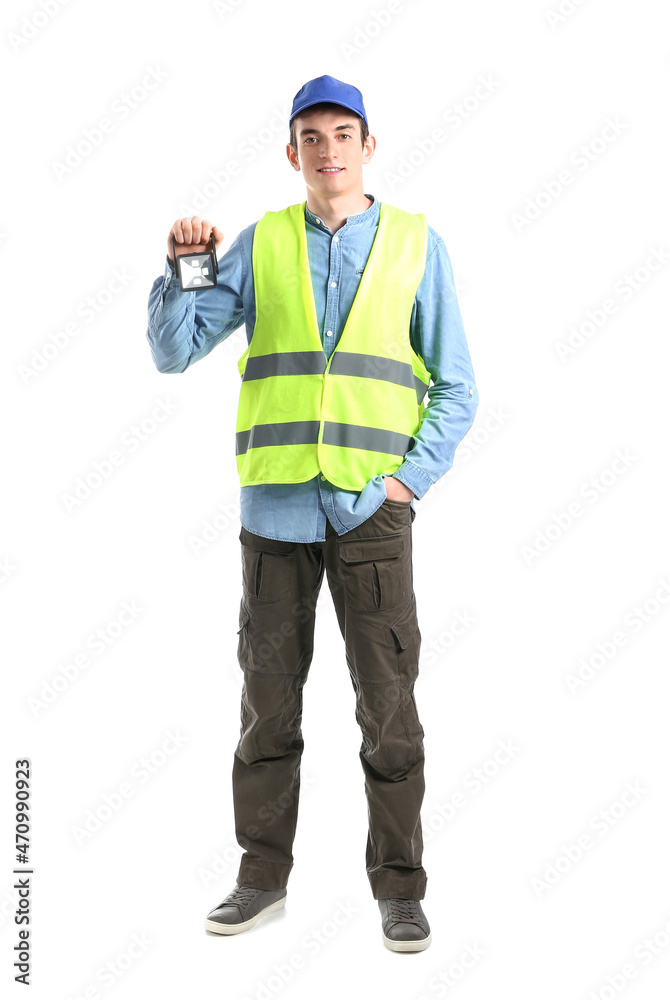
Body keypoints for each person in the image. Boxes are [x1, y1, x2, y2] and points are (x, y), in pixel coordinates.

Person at [146, 74, 479, 953]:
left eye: (343, 133)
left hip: (372, 513)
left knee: (390, 708)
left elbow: (458, 386)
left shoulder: (415, 242)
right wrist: (186, 265)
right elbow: (173, 354)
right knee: (266, 705)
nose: (327, 149)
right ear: (292, 154)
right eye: (311, 136)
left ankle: (399, 891)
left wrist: (406, 483)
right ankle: (261, 880)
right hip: (277, 511)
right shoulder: (261, 244)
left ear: (369, 146)